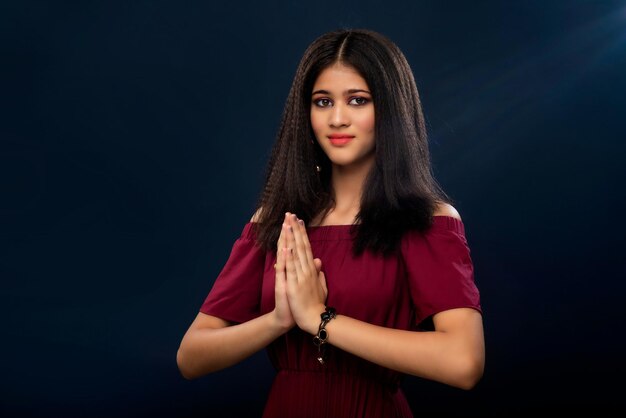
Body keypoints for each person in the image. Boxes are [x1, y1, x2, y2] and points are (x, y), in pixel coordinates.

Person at [176, 28, 484, 418]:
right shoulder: (275, 222)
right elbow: (191, 356)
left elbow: (464, 362)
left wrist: (321, 320)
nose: (337, 119)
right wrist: (279, 321)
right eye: (322, 102)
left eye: (358, 101)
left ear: (390, 110)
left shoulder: (426, 221)